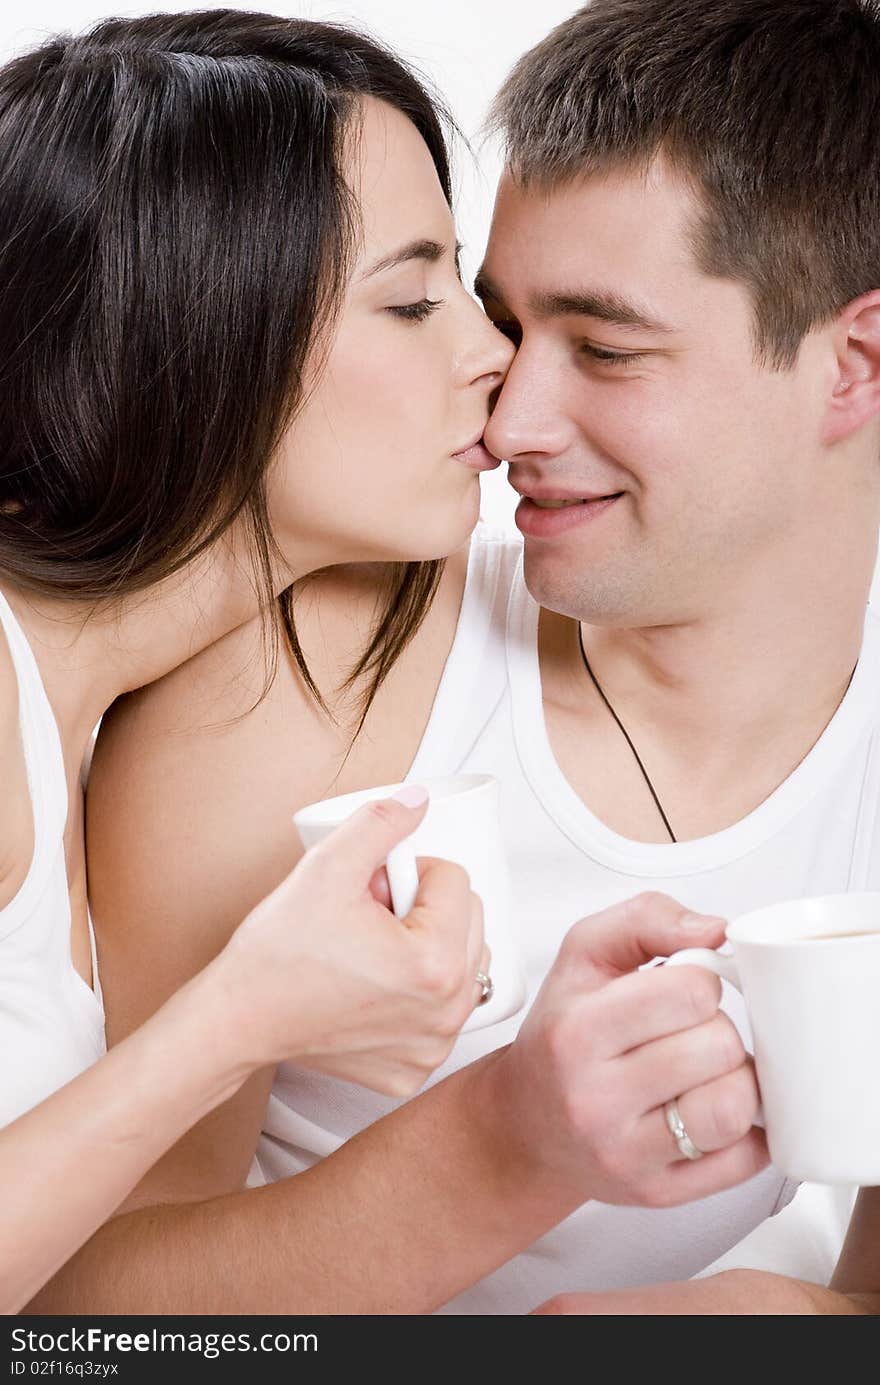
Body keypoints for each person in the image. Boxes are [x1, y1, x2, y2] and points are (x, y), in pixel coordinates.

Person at [32, 0, 880, 1316]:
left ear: (857, 361)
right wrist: (500, 1145)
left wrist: (796, 1317)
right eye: (475, 311)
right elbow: (75, 1311)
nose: (510, 409)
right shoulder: (318, 662)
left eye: (603, 346)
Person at [0, 6, 516, 1313]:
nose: (491, 354)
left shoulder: (84, 717)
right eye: (411, 300)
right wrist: (241, 1018)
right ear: (195, 338)